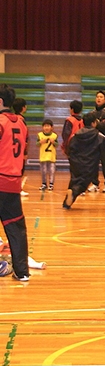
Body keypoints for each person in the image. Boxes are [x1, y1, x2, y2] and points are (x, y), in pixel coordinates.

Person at [0, 84, 30, 281]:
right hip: (12, 182)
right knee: (16, 227)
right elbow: (24, 155)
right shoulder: (21, 122)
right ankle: (22, 272)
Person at [62, 112, 105, 209]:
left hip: (75, 164)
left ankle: (66, 204)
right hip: (90, 165)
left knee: (74, 182)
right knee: (82, 185)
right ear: (94, 123)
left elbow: (69, 148)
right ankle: (72, 193)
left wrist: (72, 159)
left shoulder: (75, 135)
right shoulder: (98, 136)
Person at [90, 90, 105, 193]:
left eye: (101, 97)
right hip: (94, 140)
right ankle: (95, 183)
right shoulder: (93, 112)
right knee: (93, 163)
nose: (98, 99)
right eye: (97, 97)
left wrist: (97, 124)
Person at [13, 98, 30, 197]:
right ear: (23, 108)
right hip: (19, 150)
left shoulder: (13, 118)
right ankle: (18, 189)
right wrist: (24, 152)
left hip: (12, 149)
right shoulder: (21, 120)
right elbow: (24, 137)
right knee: (19, 170)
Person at [37, 119, 58, 191]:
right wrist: (40, 142)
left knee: (52, 171)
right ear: (42, 127)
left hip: (51, 156)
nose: (46, 128)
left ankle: (51, 184)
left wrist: (53, 142)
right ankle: (44, 184)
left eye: (48, 126)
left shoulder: (54, 136)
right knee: (43, 171)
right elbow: (37, 144)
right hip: (43, 156)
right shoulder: (40, 135)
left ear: (52, 127)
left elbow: (57, 145)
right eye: (45, 126)